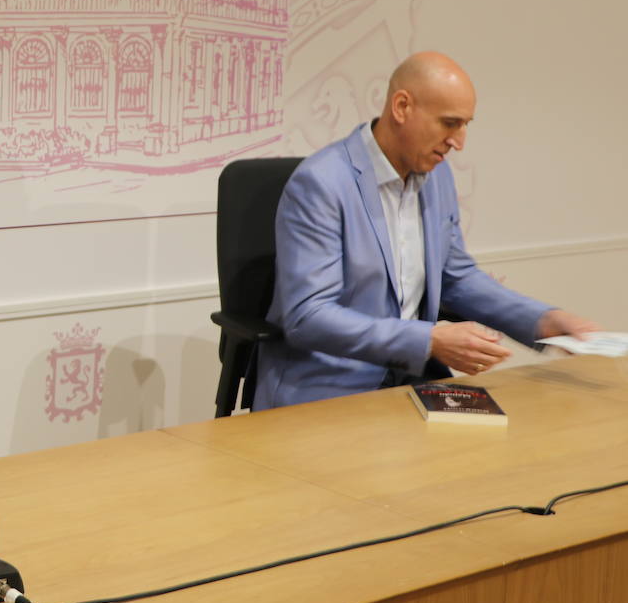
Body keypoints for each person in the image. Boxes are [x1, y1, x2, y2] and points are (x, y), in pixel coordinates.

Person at [253, 51, 595, 410]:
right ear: (402, 107)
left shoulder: (437, 175)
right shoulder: (322, 183)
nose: (459, 142)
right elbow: (309, 316)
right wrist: (428, 340)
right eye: (449, 123)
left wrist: (543, 321)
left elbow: (457, 277)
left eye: (465, 125)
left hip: (412, 378)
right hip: (330, 385)